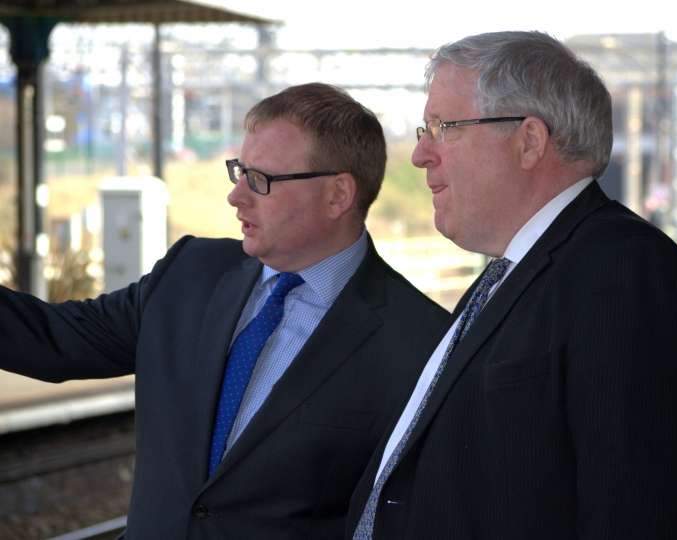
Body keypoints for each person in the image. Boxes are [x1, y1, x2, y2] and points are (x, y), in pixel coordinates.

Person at [0, 83, 448, 539]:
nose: (236, 196)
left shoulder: (423, 343)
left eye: (261, 180)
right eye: (240, 172)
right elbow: (51, 338)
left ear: (338, 195)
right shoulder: (189, 273)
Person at [347, 32, 677, 539]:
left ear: (529, 141)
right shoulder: (517, 271)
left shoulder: (624, 274)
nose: (421, 153)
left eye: (443, 127)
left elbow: (638, 514)